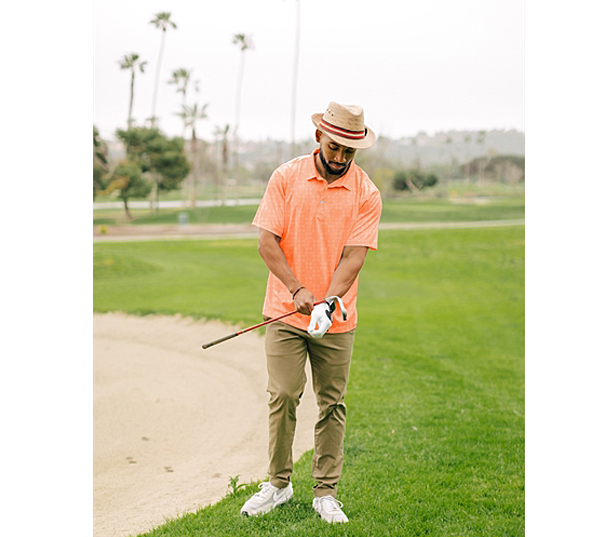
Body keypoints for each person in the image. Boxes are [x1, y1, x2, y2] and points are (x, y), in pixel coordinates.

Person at [240, 102, 382, 524]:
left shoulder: (366, 192)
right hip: (285, 312)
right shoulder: (286, 177)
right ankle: (279, 485)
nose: (339, 158)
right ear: (320, 136)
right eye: (334, 147)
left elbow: (354, 257)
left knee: (331, 403)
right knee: (283, 394)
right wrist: (298, 289)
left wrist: (326, 301)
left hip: (336, 318)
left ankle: (325, 491)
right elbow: (267, 242)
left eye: (348, 152)